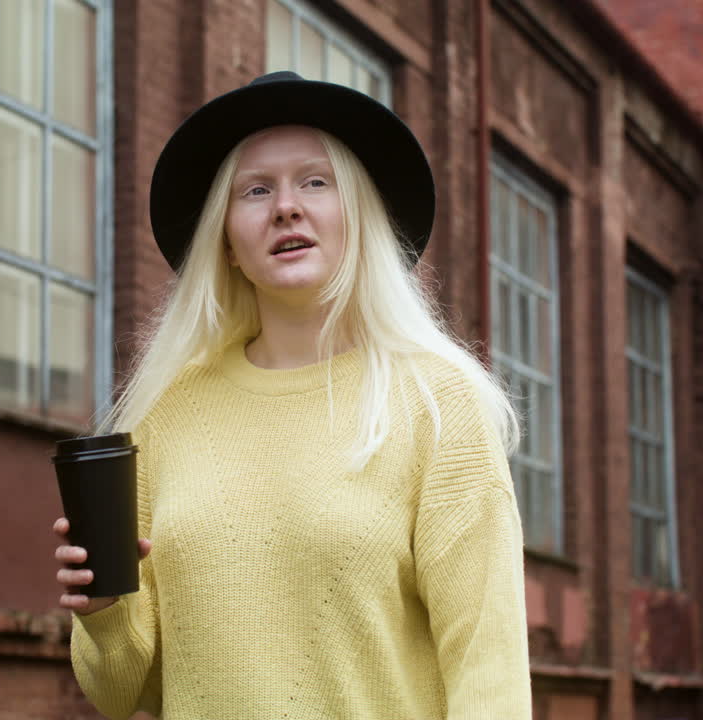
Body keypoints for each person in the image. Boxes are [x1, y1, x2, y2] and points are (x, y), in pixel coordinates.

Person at [52, 71, 530, 719]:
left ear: (358, 215)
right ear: (226, 241)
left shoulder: (438, 403)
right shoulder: (165, 415)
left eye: (315, 181)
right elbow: (120, 692)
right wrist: (103, 611)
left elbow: (488, 672)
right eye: (255, 190)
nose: (286, 206)